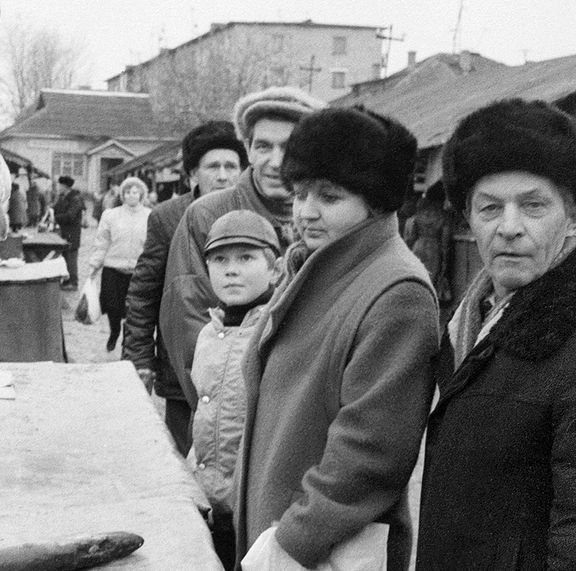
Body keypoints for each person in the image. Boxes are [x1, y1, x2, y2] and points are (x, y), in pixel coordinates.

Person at [235, 107, 437, 570]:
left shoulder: (396, 291)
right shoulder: (316, 265)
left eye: (329, 197)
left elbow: (370, 452)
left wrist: (293, 540)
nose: (306, 211)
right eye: (300, 193)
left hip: (322, 548)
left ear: (375, 202)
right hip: (279, 531)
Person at [417, 100, 576, 570]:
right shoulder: (465, 325)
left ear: (571, 216)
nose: (509, 227)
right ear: (468, 218)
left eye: (533, 205)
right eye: (490, 208)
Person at [159, 88, 323, 445]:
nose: (276, 162)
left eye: (289, 147)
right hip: (220, 425)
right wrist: (235, 418)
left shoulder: (326, 221)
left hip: (296, 429)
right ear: (247, 149)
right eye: (263, 147)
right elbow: (190, 325)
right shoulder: (207, 215)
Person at [122, 120, 247, 454]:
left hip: (242, 366)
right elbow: (143, 292)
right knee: (187, 460)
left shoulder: (252, 217)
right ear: (193, 174)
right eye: (213, 167)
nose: (223, 175)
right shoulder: (168, 217)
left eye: (231, 166)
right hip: (183, 364)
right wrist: (139, 357)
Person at [190, 209, 279, 568]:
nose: (231, 269)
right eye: (220, 260)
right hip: (209, 503)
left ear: (274, 269)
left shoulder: (277, 333)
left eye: (246, 258)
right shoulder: (207, 334)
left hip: (253, 508)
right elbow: (203, 409)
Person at [87, 176, 151, 351]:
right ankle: (114, 332)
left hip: (137, 271)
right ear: (123, 194)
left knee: (134, 309)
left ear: (141, 195)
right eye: (128, 192)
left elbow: (153, 245)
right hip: (113, 268)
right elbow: (102, 242)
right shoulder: (111, 215)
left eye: (135, 192)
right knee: (113, 306)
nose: (132, 195)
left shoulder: (149, 216)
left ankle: (127, 339)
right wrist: (94, 265)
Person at [402, 180, 453, 303]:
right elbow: (445, 241)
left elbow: (410, 236)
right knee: (431, 279)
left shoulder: (419, 214)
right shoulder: (443, 216)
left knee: (416, 274)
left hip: (418, 246)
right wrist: (445, 261)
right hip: (434, 249)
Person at [53, 175, 85, 290]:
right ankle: (67, 281)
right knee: (66, 257)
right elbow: (56, 209)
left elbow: (70, 216)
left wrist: (55, 218)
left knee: (71, 258)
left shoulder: (75, 199)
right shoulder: (63, 197)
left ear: (64, 186)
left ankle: (73, 283)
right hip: (64, 233)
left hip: (72, 233)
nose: (58, 187)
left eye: (59, 185)